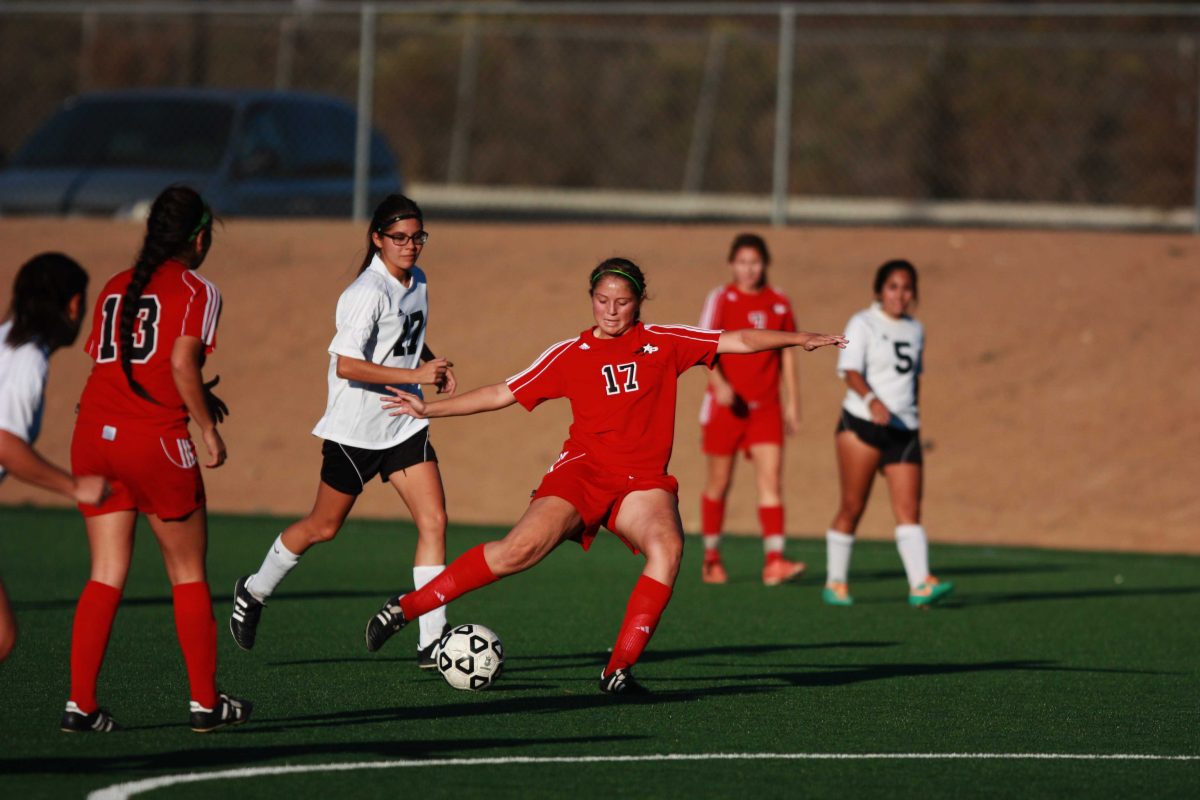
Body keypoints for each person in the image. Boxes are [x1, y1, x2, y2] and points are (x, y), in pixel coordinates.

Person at [361, 257, 846, 695]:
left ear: (638, 304)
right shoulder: (571, 353)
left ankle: (618, 670)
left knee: (669, 548)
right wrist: (430, 409)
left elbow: (734, 339)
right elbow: (502, 393)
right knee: (517, 552)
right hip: (583, 473)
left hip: (642, 482)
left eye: (622, 301)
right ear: (591, 299)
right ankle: (406, 607)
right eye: (602, 300)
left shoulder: (665, 342)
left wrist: (798, 340)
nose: (611, 310)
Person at [229, 194, 456, 669]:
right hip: (356, 429)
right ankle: (253, 590)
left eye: (417, 237)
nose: (410, 246)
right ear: (377, 238)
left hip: (401, 421)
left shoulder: (418, 280)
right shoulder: (366, 293)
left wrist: (428, 363)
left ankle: (431, 642)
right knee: (323, 527)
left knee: (434, 522)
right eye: (399, 238)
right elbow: (349, 364)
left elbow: (403, 338)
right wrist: (413, 373)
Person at [63, 185, 250, 733]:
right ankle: (204, 703)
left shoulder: (118, 285)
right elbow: (180, 364)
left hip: (92, 436)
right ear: (198, 237)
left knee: (105, 572)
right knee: (187, 571)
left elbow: (112, 365)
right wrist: (208, 429)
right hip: (155, 443)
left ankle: (81, 704)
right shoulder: (198, 290)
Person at [822, 259, 953, 608]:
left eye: (907, 287)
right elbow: (849, 371)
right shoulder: (862, 322)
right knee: (852, 506)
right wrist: (871, 400)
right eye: (893, 286)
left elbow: (912, 381)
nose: (900, 294)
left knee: (910, 509)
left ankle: (920, 583)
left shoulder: (915, 329)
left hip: (904, 430)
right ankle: (835, 582)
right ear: (880, 290)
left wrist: (913, 418)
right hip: (861, 425)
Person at [0, 253, 110, 663]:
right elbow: (6, 445)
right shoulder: (28, 360)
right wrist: (74, 485)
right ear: (74, 305)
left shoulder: (6, 340)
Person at [696, 233, 806, 586]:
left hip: (766, 409)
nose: (748, 269)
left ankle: (774, 560)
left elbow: (788, 350)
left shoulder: (779, 301)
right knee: (719, 483)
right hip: (726, 409)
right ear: (732, 264)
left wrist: (793, 402)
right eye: (742, 262)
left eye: (755, 262)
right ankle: (712, 557)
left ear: (765, 264)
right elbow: (703, 345)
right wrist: (720, 385)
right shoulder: (721, 298)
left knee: (771, 482)